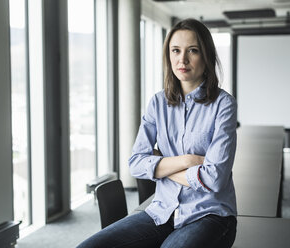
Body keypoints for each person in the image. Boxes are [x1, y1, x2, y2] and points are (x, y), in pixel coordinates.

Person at [77, 18, 237, 248]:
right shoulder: (157, 103)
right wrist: (188, 161)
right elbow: (135, 164)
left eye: (192, 50)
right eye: (175, 50)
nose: (182, 59)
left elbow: (215, 179)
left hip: (210, 215)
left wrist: (161, 167)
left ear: (207, 56)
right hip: (162, 211)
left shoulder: (224, 105)